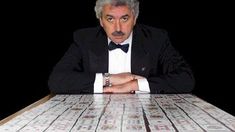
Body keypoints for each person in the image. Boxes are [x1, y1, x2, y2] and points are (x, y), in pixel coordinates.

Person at [48, 0, 195, 94]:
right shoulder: (84, 39)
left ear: (134, 18)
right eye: (110, 18)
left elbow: (186, 79)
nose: (117, 28)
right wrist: (110, 79)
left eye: (124, 18)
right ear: (101, 20)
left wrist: (134, 85)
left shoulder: (156, 39)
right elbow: (56, 80)